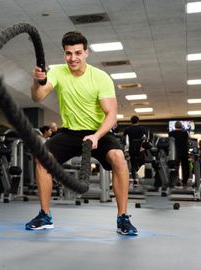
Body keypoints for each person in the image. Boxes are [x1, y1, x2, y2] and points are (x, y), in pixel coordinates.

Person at [25, 31, 138, 236]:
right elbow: (37, 97)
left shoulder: (100, 77)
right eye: (69, 53)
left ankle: (123, 218)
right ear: (64, 54)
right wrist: (36, 81)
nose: (73, 58)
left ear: (86, 52)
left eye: (78, 53)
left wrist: (96, 136)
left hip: (98, 131)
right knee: (42, 158)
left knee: (118, 157)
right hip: (70, 132)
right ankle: (44, 215)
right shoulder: (58, 72)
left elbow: (111, 115)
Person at [122, 116, 148, 184]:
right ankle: (141, 177)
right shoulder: (142, 128)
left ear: (131, 121)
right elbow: (147, 137)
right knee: (141, 163)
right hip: (140, 147)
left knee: (133, 164)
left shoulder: (128, 129)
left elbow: (123, 136)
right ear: (138, 121)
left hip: (132, 147)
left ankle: (134, 180)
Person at [168, 121, 190, 187]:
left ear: (175, 126)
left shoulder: (170, 133)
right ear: (181, 126)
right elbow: (187, 140)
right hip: (184, 152)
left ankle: (176, 180)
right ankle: (185, 181)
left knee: (175, 167)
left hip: (175, 153)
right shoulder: (185, 133)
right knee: (185, 167)